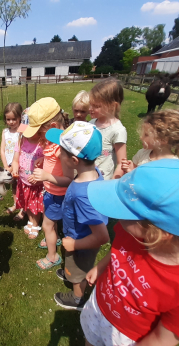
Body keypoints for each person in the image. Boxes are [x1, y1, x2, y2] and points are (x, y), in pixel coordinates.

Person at [80, 159, 179, 346]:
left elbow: (161, 340)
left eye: (125, 209)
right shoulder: (131, 233)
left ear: (158, 233)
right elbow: (118, 252)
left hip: (126, 340)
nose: (117, 214)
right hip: (99, 306)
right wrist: (101, 266)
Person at [44, 121, 110, 310]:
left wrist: (75, 244)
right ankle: (70, 272)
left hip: (81, 242)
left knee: (78, 271)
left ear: (73, 161)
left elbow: (102, 236)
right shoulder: (92, 172)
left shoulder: (84, 195)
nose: (58, 152)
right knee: (72, 265)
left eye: (61, 150)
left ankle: (77, 299)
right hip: (76, 234)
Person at [23, 97, 74, 269]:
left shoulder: (62, 149)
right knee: (50, 223)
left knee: (47, 225)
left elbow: (69, 180)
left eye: (39, 131)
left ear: (52, 127)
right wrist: (44, 159)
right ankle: (53, 237)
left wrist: (46, 176)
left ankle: (52, 257)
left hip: (58, 195)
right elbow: (54, 162)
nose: (37, 136)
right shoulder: (53, 142)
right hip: (51, 193)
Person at [121, 109, 179, 173]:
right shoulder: (142, 154)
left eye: (146, 135)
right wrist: (129, 170)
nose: (141, 137)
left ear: (163, 140)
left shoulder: (173, 165)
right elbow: (133, 179)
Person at [11, 123, 45, 239]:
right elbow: (15, 160)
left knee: (35, 205)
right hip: (23, 181)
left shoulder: (43, 144)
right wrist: (15, 168)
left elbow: (49, 164)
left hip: (37, 183)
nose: (26, 134)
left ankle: (35, 224)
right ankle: (30, 221)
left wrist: (39, 177)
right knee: (27, 203)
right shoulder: (21, 141)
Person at [88, 78, 127, 180]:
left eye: (96, 106)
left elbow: (121, 164)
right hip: (87, 175)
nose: (90, 109)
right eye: (90, 104)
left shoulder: (118, 130)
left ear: (112, 106)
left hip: (103, 180)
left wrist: (111, 186)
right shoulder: (91, 123)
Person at [1, 102, 25, 221]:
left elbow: (23, 150)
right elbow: (2, 149)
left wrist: (13, 167)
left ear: (20, 117)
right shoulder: (5, 132)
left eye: (14, 119)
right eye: (8, 119)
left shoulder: (23, 131)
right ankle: (16, 204)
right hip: (9, 165)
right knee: (14, 187)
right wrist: (6, 166)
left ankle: (23, 209)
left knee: (22, 187)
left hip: (20, 165)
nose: (11, 122)